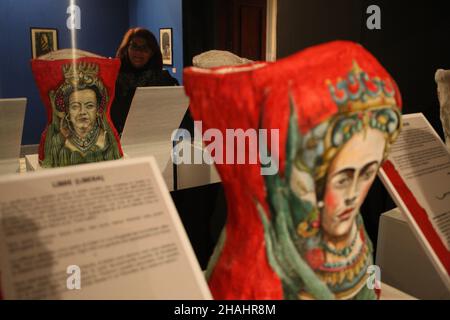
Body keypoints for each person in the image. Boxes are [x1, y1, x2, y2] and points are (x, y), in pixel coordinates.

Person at [43, 61, 122, 167]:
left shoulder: (106, 139)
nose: (82, 112)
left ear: (98, 110)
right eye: (75, 106)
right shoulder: (57, 141)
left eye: (89, 106)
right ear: (67, 111)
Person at [110, 27, 179, 135]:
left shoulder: (163, 79)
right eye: (134, 47)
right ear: (126, 48)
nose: (138, 52)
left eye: (145, 48)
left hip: (153, 141)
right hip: (118, 143)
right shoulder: (113, 78)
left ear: (152, 53)